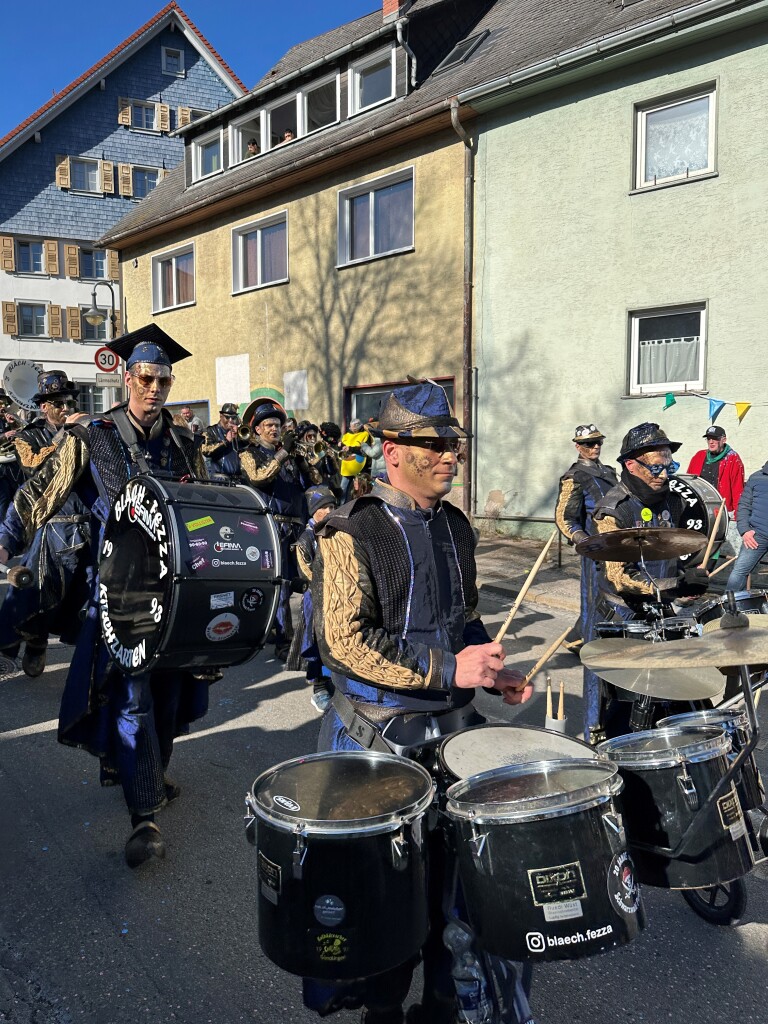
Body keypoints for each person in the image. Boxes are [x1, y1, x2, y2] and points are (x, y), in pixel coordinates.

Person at [306, 380, 531, 1024]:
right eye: (434, 444)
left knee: (457, 897)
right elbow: (344, 642)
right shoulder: (351, 528)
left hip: (451, 732)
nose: (449, 456)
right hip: (375, 738)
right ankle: (381, 1008)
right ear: (392, 449)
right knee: (382, 902)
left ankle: (441, 1006)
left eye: (453, 444)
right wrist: (448, 668)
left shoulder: (455, 526)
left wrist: (490, 666)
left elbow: (463, 617)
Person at [0, 325, 210, 868]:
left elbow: (208, 502)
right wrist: (5, 542)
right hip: (119, 588)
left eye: (163, 379)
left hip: (178, 587)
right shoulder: (92, 435)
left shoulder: (186, 440)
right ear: (126, 377)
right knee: (134, 693)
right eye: (145, 377)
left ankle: (151, 773)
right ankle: (144, 815)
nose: (154, 388)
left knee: (169, 691)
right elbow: (40, 490)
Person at [590, 422, 709, 737]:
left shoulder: (674, 500)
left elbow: (674, 549)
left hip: (661, 608)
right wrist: (674, 587)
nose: (664, 475)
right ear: (631, 464)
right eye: (656, 468)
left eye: (669, 467)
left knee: (684, 696)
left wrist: (688, 578)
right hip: (621, 614)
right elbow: (618, 576)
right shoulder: (613, 510)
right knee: (627, 707)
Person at [0, 370, 91, 677]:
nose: (65, 407)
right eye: (57, 402)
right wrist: (65, 436)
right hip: (51, 524)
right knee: (36, 593)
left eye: (68, 401)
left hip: (87, 525)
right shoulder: (29, 435)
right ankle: (35, 644)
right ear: (44, 407)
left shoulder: (84, 431)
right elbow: (32, 465)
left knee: (84, 600)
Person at [239, 400, 320, 660]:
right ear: (258, 430)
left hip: (297, 527)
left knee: (310, 580)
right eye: (270, 425)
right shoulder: (249, 454)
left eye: (278, 425)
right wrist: (283, 452)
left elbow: (316, 481)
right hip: (271, 527)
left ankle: (312, 638)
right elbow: (258, 477)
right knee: (282, 585)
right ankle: (285, 643)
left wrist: (302, 459)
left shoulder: (288, 455)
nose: (275, 429)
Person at [554, 424, 618, 740]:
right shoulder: (574, 477)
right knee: (595, 619)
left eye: (597, 442)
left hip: (621, 551)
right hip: (596, 555)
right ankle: (594, 722)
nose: (594, 447)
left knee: (617, 617)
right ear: (578, 446)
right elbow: (566, 518)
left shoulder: (610, 471)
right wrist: (584, 541)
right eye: (589, 443)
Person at [287, 484, 338, 713]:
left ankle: (337, 685)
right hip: (315, 599)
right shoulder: (305, 540)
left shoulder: (336, 532)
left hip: (337, 596)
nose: (329, 511)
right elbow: (306, 572)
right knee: (317, 644)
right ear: (313, 510)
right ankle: (319, 689)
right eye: (323, 507)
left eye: (332, 506)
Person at [687, 425, 745, 557]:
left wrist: (738, 516)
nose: (711, 442)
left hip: (720, 510)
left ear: (723, 440)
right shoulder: (699, 456)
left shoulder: (733, 459)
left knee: (714, 544)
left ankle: (708, 567)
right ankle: (696, 565)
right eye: (708, 439)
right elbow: (690, 481)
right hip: (699, 507)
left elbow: (738, 490)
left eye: (715, 439)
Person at [724, 460, 768, 593]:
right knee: (739, 572)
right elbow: (743, 506)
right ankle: (729, 607)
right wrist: (744, 531)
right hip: (757, 536)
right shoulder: (757, 478)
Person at [201, 402, 243, 482]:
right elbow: (206, 450)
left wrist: (241, 438)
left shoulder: (237, 432)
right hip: (220, 480)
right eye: (227, 417)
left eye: (233, 418)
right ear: (221, 416)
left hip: (238, 480)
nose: (230, 421)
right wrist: (226, 441)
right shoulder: (211, 431)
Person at [338, 418, 370, 499]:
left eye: (354, 428)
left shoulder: (365, 434)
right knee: (343, 488)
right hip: (347, 466)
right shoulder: (346, 435)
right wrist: (340, 445)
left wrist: (351, 448)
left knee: (359, 489)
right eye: (351, 428)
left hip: (359, 466)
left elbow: (364, 450)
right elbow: (343, 445)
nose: (352, 430)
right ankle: (340, 507)